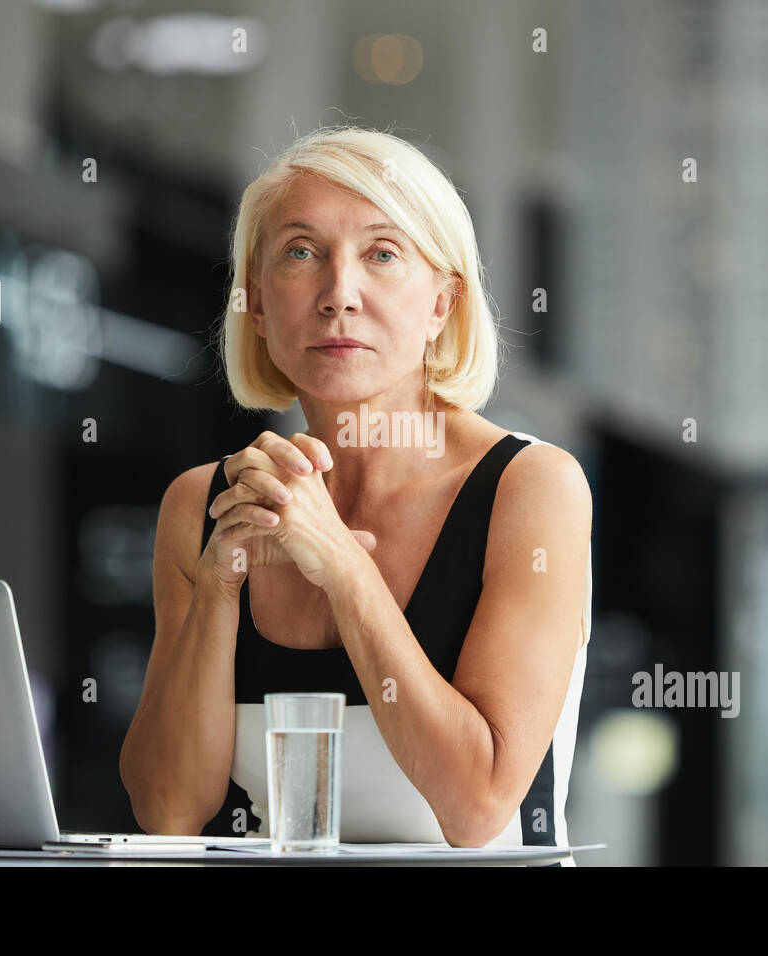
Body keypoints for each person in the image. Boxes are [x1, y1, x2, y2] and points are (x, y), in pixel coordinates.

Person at [120, 125, 594, 862]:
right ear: (255, 302)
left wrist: (345, 570)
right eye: (301, 252)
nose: (339, 295)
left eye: (382, 254)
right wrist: (217, 587)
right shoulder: (202, 505)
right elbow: (169, 810)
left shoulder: (532, 489)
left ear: (442, 303)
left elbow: (475, 807)